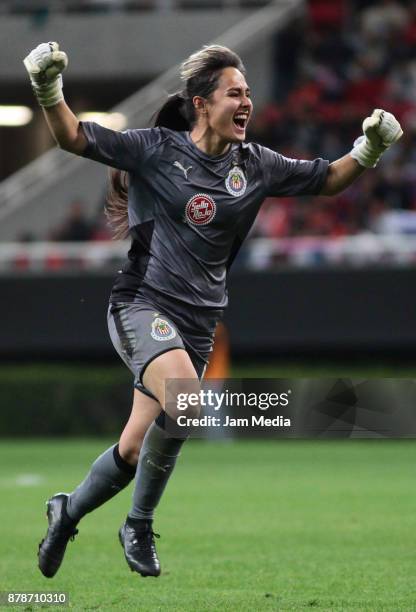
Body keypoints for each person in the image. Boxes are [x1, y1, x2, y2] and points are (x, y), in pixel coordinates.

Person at [23, 41, 402, 580]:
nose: (246, 102)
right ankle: (139, 524)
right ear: (202, 104)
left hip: (196, 329)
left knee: (132, 451)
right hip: (140, 304)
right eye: (234, 93)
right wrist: (47, 88)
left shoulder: (257, 165)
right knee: (187, 404)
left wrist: (369, 149)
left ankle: (66, 513)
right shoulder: (155, 149)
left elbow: (328, 179)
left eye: (248, 93)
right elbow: (72, 136)